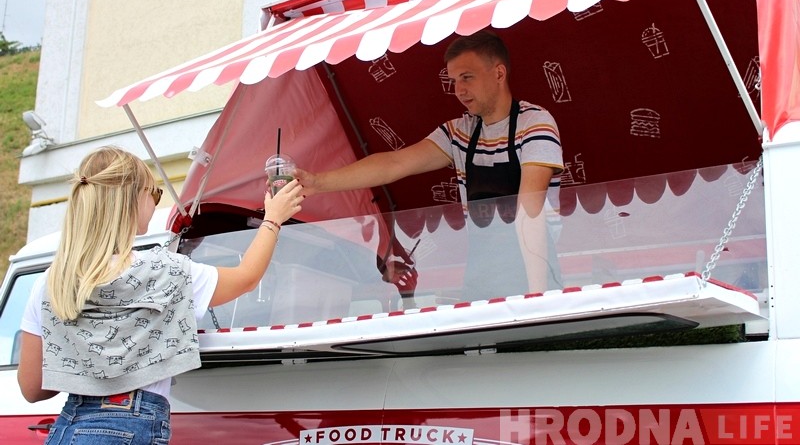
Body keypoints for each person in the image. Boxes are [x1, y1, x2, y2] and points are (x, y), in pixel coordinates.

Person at [17, 146, 303, 444]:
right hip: (134, 427)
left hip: (70, 426)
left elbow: (33, 388)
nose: (155, 204)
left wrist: (87, 366)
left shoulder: (51, 282)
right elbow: (246, 277)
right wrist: (273, 218)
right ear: (133, 199)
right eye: (154, 194)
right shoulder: (166, 271)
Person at [296, 30, 563, 301]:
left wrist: (537, 298)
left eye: (467, 77)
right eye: (454, 81)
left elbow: (530, 211)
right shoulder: (459, 132)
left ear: (498, 73)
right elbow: (394, 163)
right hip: (481, 284)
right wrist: (318, 183)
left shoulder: (535, 123)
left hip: (535, 276)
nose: (459, 90)